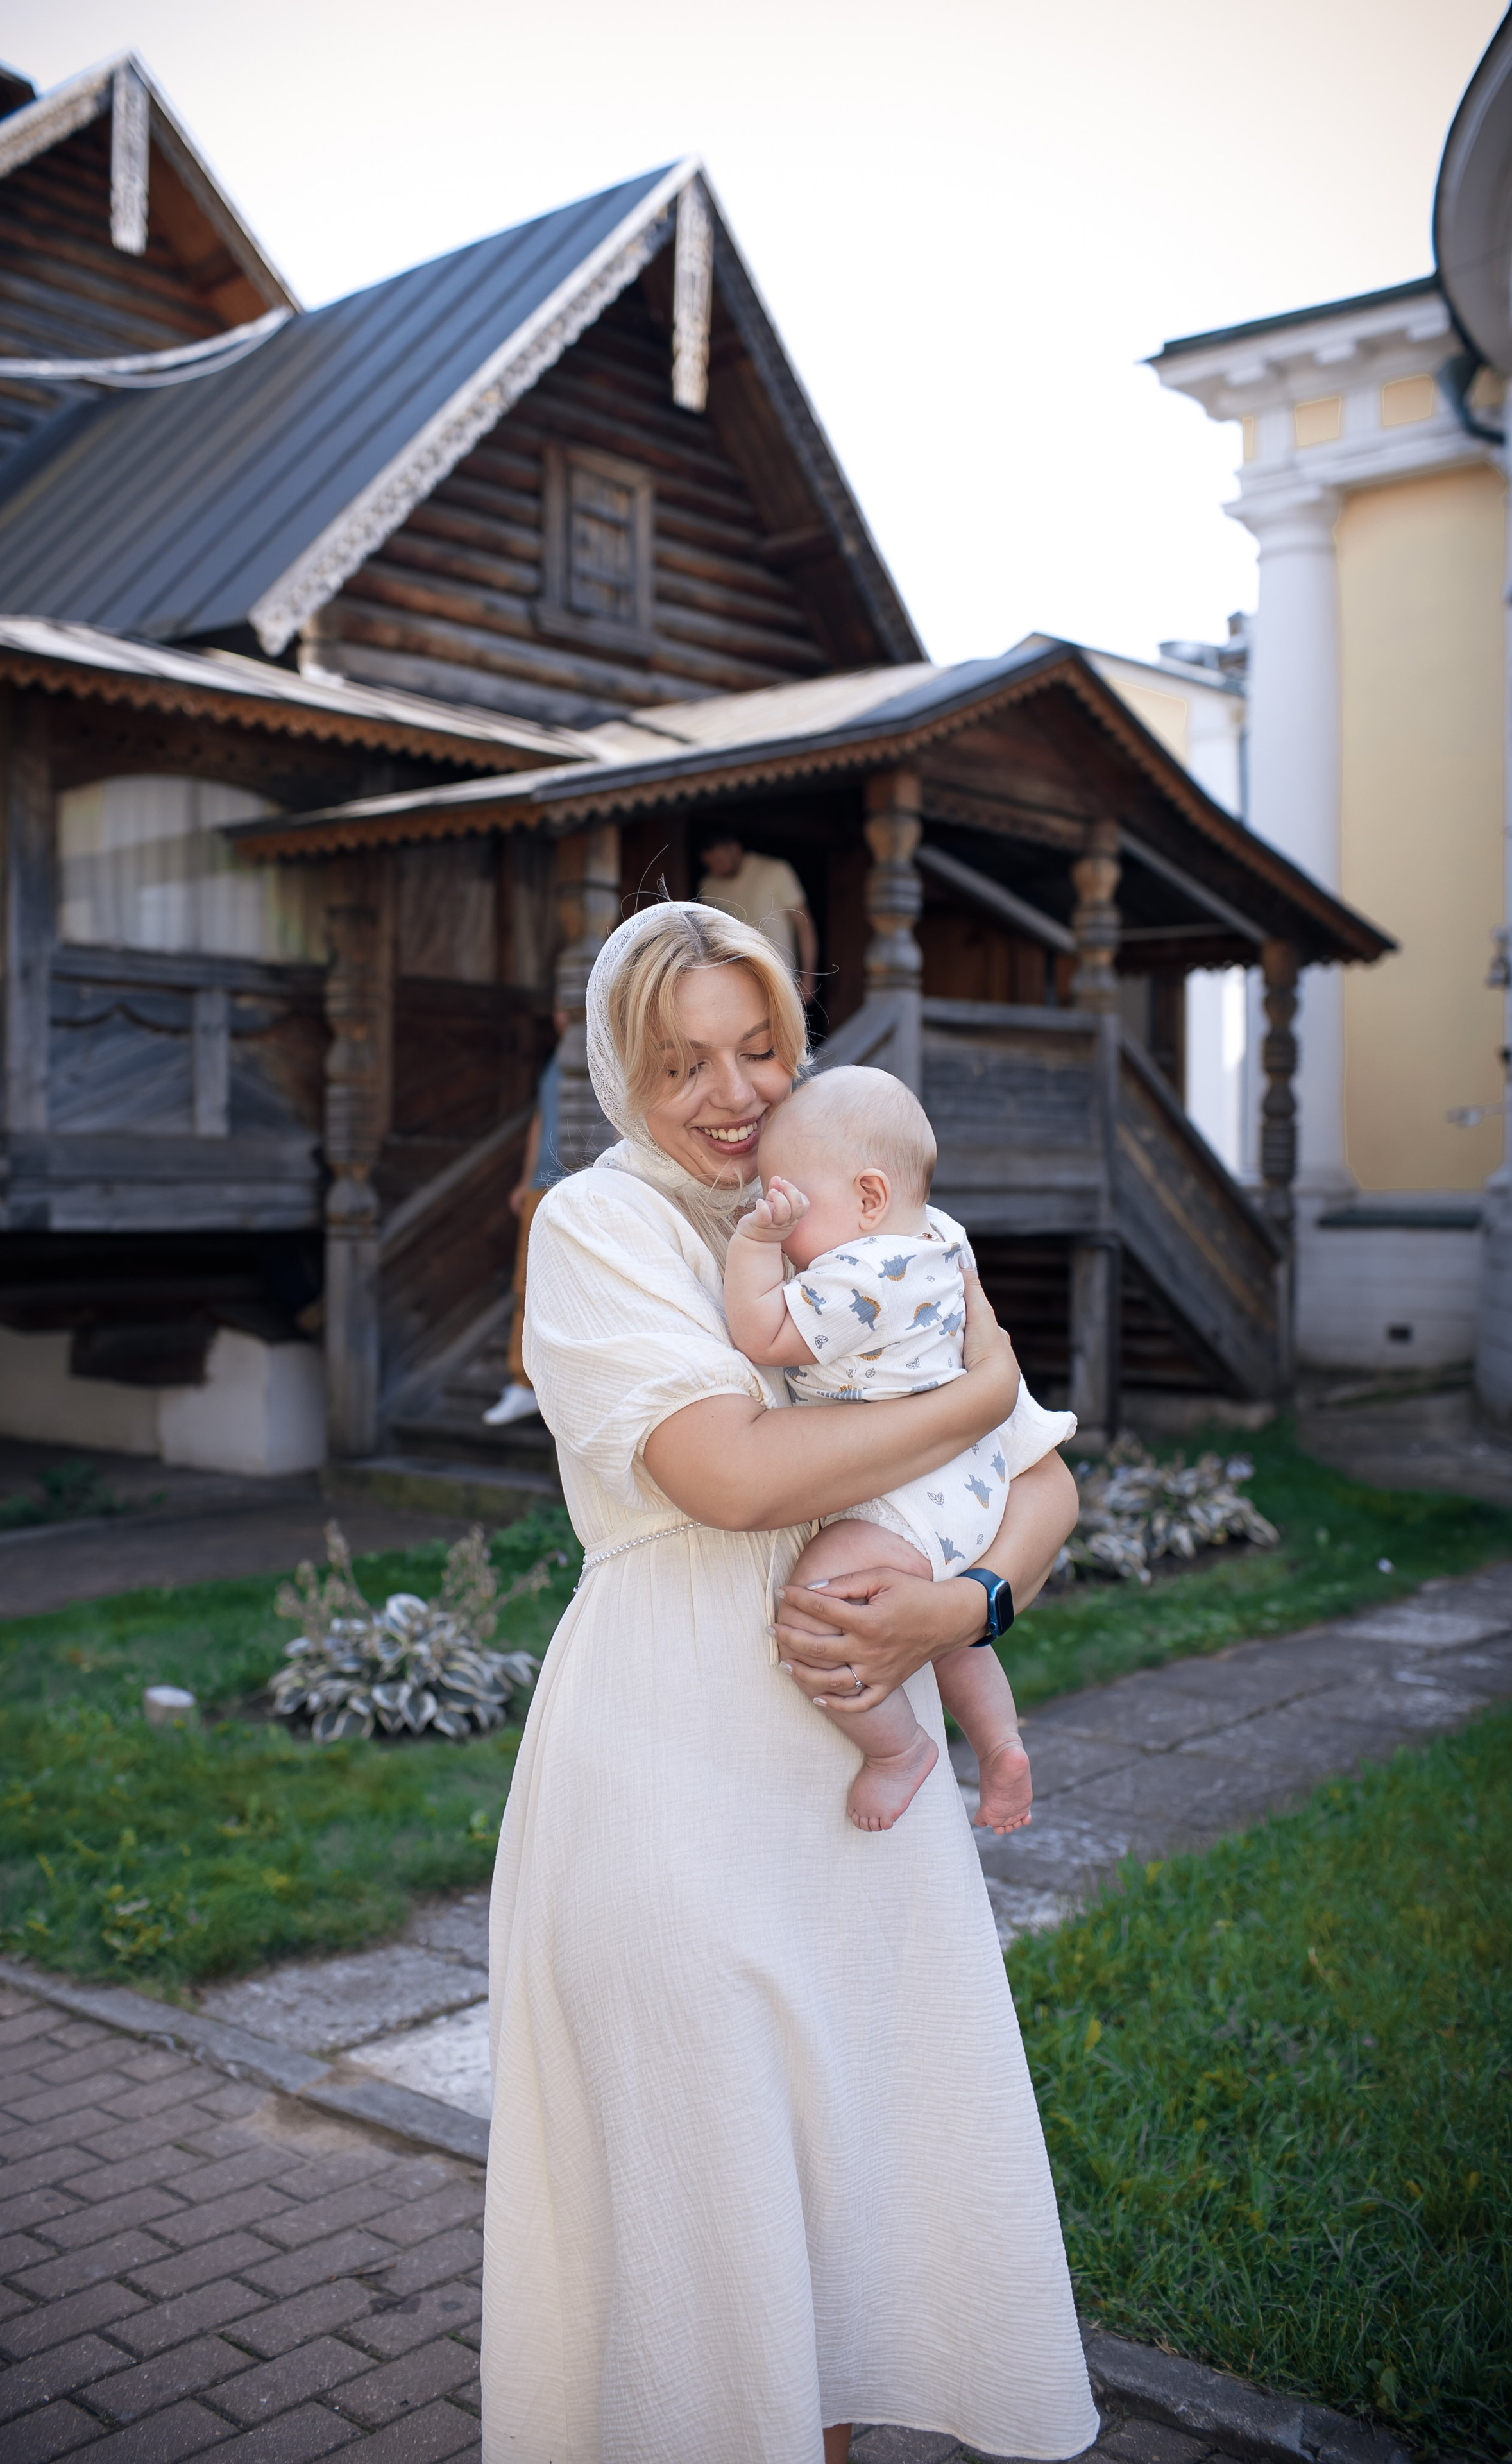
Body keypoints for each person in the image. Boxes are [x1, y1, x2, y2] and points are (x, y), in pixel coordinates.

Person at [482, 899, 1098, 2464]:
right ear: (623, 1070)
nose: (730, 1091)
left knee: (835, 2204)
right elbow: (732, 1475)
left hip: (854, 1788)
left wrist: (957, 1604)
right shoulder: (597, 1226)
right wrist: (970, 1389)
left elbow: (1040, 1492)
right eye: (679, 1059)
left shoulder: (868, 1207)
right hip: (668, 1751)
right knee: (706, 2215)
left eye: (758, 1045)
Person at [723, 1064, 1075, 1833]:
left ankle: (899, 1752)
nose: (778, 1215)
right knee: (948, 1637)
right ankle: (999, 1742)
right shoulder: (939, 1237)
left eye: (787, 1198)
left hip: (902, 1495)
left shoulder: (859, 1274)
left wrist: (754, 1241)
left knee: (818, 1613)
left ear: (869, 1199)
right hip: (971, 1483)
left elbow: (760, 1331)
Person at [482, 1013, 568, 1428]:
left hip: (578, 1182)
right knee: (526, 1282)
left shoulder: (604, 1051)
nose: (562, 1013)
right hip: (541, 1184)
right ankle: (522, 1383)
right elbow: (540, 1120)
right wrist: (523, 1179)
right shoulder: (557, 1059)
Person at [698, 831, 819, 998]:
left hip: (780, 975)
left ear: (735, 848)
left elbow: (803, 923)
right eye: (710, 865)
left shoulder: (776, 871)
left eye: (719, 861)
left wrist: (809, 975)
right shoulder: (709, 885)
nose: (716, 869)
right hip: (733, 981)